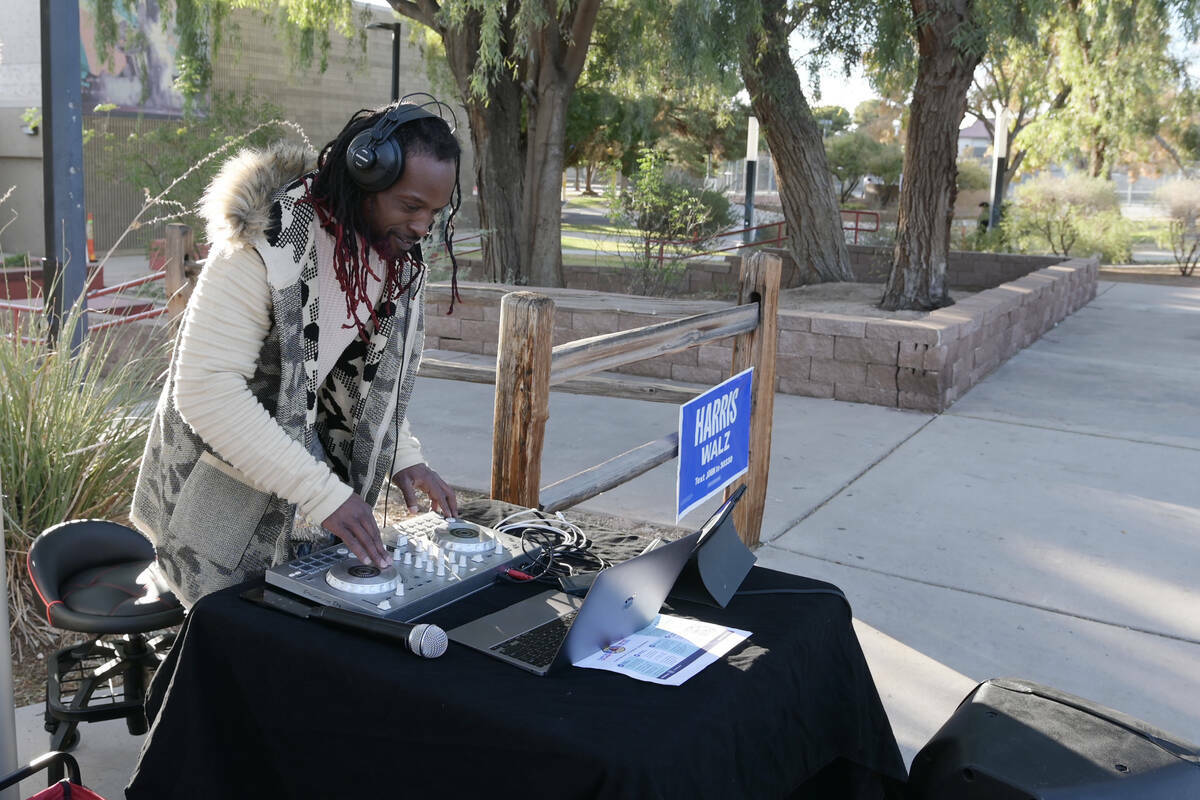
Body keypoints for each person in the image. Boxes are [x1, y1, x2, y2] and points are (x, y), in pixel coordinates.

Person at [132, 101, 463, 606]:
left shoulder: (383, 252)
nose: (422, 227)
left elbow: (357, 381)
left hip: (294, 489)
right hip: (213, 490)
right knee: (227, 651)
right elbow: (205, 391)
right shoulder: (264, 236)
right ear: (365, 176)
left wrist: (404, 457)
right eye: (410, 205)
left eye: (434, 212)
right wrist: (324, 495)